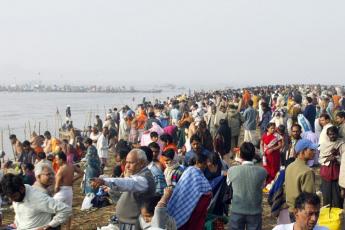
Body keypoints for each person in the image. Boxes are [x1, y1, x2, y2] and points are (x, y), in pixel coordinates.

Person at [91, 149, 156, 229]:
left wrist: (104, 181)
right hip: (126, 223)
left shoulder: (144, 179)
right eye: (126, 162)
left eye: (131, 163)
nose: (127, 166)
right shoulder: (137, 175)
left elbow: (128, 183)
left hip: (133, 225)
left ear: (142, 163)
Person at [0, 173, 72, 230]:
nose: (12, 200)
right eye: (9, 197)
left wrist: (49, 226)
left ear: (22, 189)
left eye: (14, 196)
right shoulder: (16, 192)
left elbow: (65, 209)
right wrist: (16, 223)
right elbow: (19, 212)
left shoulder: (38, 198)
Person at [227, 142, 267, 230]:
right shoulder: (262, 172)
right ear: (254, 155)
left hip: (237, 210)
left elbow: (229, 184)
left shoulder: (232, 170)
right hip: (255, 210)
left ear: (240, 155)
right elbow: (262, 186)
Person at [168, 154, 212, 230]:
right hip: (190, 207)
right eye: (204, 164)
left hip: (191, 206)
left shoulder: (189, 171)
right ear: (198, 162)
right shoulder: (193, 172)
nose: (206, 166)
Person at [285, 139, 317, 222]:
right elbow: (309, 196)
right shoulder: (307, 171)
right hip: (302, 212)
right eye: (311, 150)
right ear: (303, 152)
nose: (314, 152)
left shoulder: (289, 166)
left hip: (291, 209)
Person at [54, 152, 83, 230]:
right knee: (68, 210)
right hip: (69, 190)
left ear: (61, 160)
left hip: (61, 191)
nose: (56, 162)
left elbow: (56, 187)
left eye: (57, 160)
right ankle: (68, 228)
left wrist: (54, 192)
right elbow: (81, 173)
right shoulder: (72, 166)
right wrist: (72, 180)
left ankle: (56, 227)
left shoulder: (61, 170)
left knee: (54, 210)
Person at [319, 126, 344, 208]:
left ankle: (338, 219)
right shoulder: (324, 145)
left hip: (337, 175)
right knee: (326, 199)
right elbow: (320, 159)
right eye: (330, 134)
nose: (332, 136)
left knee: (338, 200)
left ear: (337, 134)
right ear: (327, 135)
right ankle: (327, 219)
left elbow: (343, 159)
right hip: (326, 175)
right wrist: (328, 159)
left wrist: (336, 158)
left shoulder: (341, 144)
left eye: (334, 134)